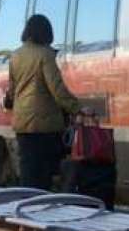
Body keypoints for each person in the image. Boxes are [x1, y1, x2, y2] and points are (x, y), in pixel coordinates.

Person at [7, 14, 84, 189]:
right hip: (43, 124)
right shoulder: (45, 54)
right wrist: (77, 108)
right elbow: (57, 89)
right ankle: (40, 209)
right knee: (43, 173)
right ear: (46, 33)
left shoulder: (15, 55)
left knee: (28, 170)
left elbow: (11, 90)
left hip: (22, 123)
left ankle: (25, 208)